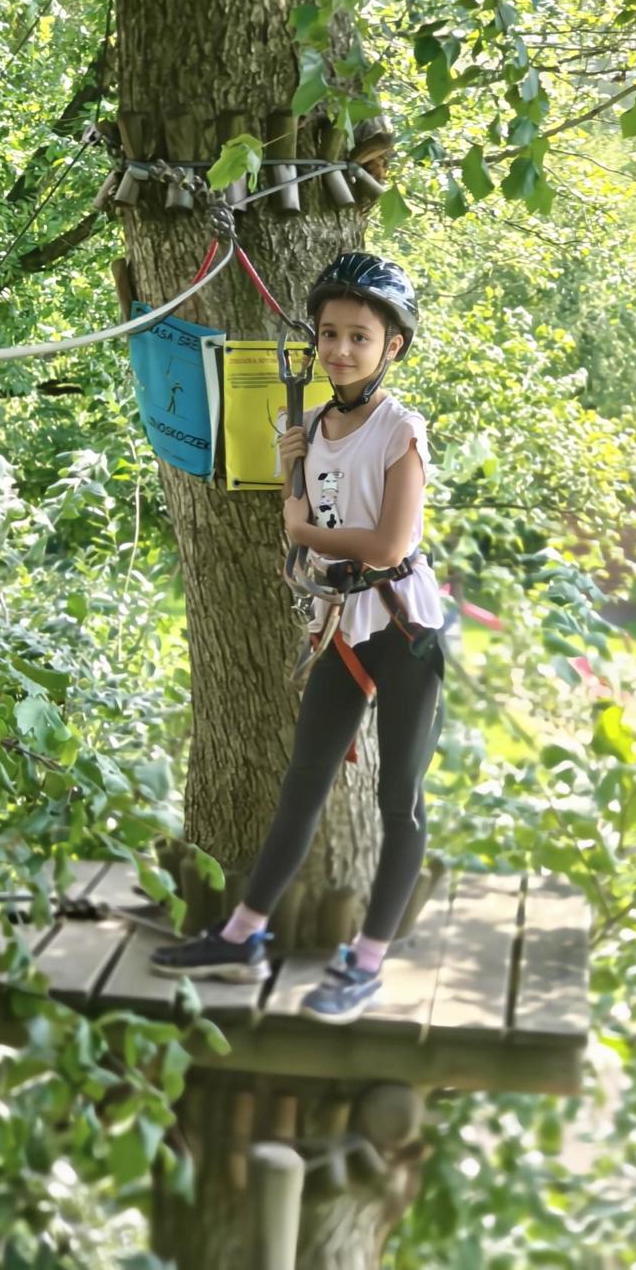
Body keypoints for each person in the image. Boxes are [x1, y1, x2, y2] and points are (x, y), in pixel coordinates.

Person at [150, 252, 444, 1025]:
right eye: (329, 334)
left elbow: (388, 545)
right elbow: (313, 520)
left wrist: (301, 527)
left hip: (402, 624)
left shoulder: (400, 431)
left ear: (393, 347)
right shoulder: (310, 425)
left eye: (359, 337)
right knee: (303, 782)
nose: (340, 350)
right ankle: (242, 936)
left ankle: (366, 962)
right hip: (342, 623)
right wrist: (295, 473)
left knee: (399, 799)